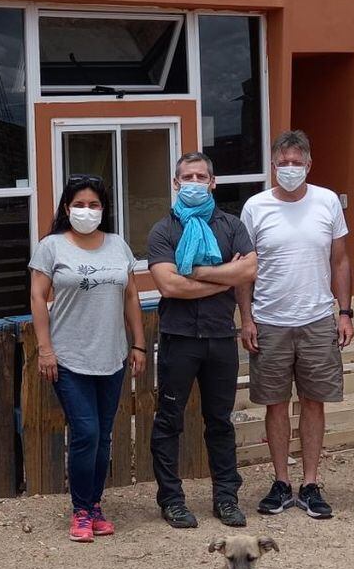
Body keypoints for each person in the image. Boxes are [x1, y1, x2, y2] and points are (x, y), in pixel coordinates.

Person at [239, 130, 352, 519]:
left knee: (313, 401)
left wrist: (344, 311)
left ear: (309, 164)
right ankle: (281, 482)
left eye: (296, 162)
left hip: (318, 319)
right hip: (269, 321)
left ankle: (310, 482)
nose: (290, 169)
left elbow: (340, 261)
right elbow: (244, 269)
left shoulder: (327, 202)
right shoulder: (255, 207)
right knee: (274, 404)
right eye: (283, 162)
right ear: (273, 166)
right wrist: (246, 317)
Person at [28, 175, 147, 543]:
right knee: (86, 433)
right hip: (69, 357)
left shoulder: (117, 245)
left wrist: (139, 344)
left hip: (111, 356)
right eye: (79, 204)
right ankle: (80, 510)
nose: (86, 210)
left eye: (94, 205)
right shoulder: (51, 247)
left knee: (105, 435)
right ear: (67, 208)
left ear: (103, 210)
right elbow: (37, 296)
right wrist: (45, 348)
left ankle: (95, 505)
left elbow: (130, 296)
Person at [147, 152, 257, 529]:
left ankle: (226, 498)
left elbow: (251, 270)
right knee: (169, 421)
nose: (194, 181)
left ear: (213, 182)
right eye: (186, 176)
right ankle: (171, 499)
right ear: (176, 183)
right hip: (179, 338)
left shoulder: (231, 225)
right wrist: (225, 275)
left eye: (201, 176)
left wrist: (198, 272)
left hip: (221, 337)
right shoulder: (163, 230)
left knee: (220, 422)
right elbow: (168, 285)